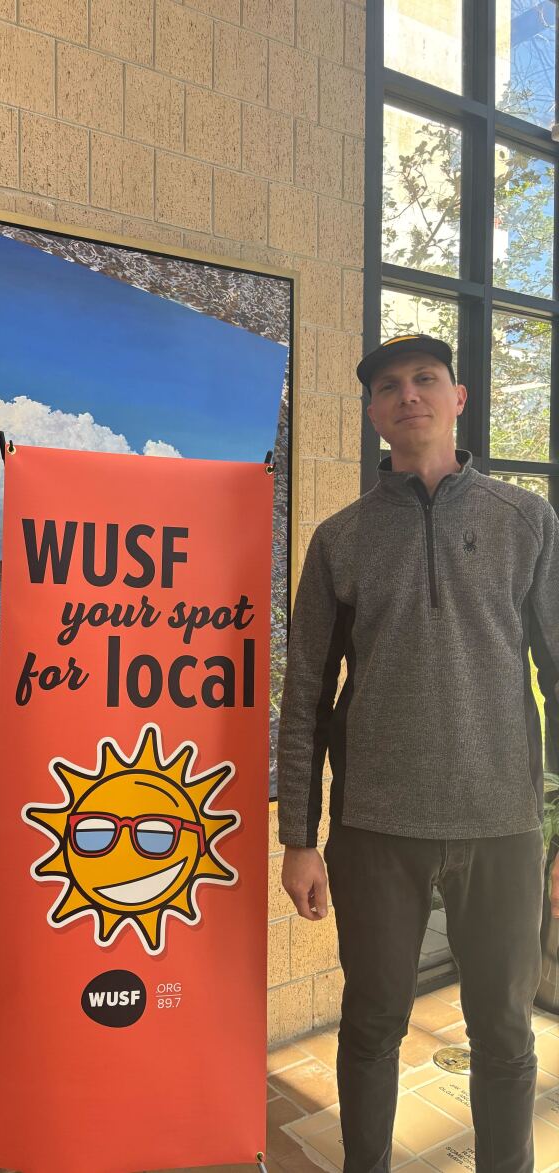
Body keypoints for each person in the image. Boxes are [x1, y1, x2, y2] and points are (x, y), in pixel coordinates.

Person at [278, 333, 559, 1173]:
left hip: (503, 825)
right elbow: (305, 694)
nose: (408, 395)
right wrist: (298, 839)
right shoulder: (340, 539)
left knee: (504, 1030)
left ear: (458, 398)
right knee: (371, 1024)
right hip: (374, 829)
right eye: (389, 386)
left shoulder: (526, 520)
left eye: (426, 379)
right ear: (372, 413)